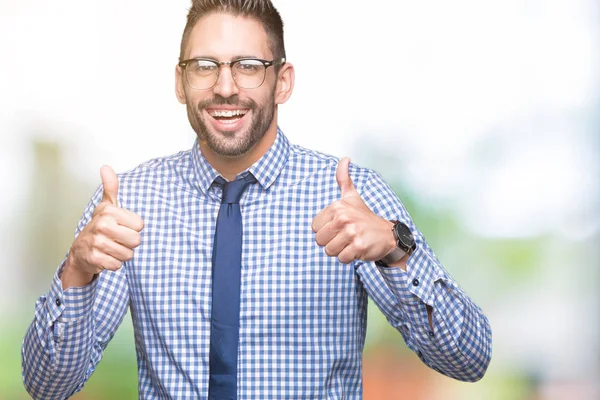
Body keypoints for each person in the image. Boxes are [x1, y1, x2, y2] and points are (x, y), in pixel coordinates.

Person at [22, 0, 492, 398]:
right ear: (179, 82)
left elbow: (469, 358)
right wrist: (77, 270)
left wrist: (395, 247)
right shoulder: (128, 203)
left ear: (282, 81)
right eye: (205, 66)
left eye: (248, 66)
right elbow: (47, 386)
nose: (225, 87)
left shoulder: (350, 196)